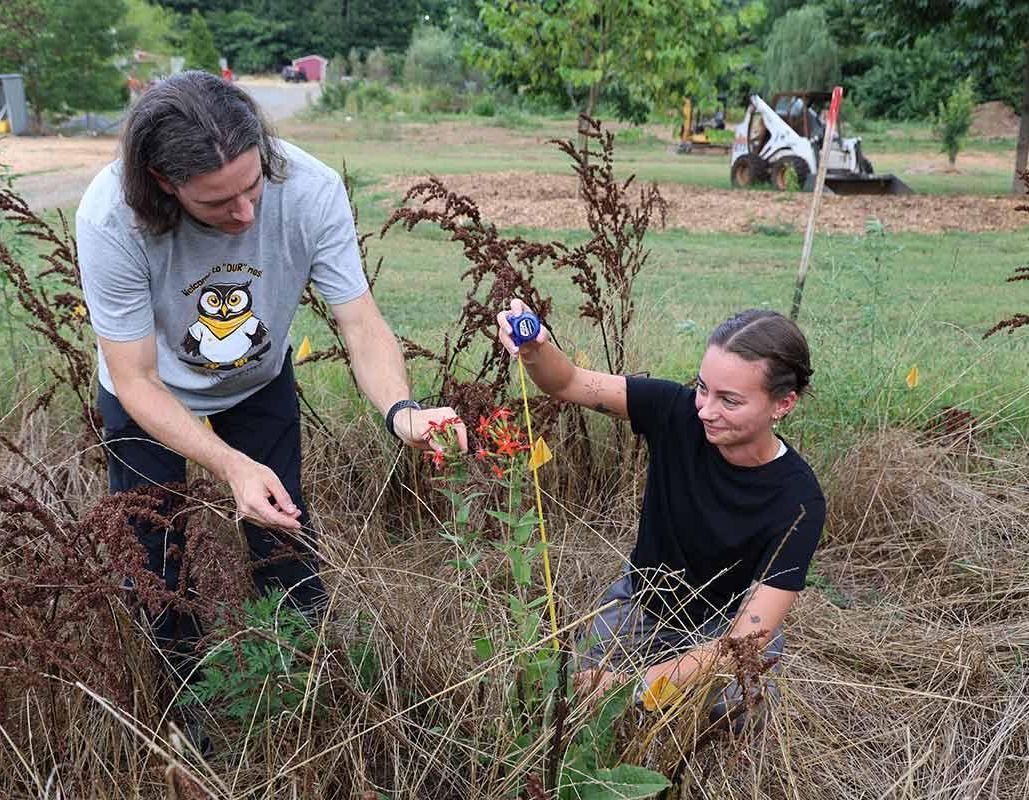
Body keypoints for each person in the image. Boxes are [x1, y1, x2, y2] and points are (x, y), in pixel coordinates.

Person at [76, 71, 465, 699]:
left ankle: (306, 680)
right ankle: (183, 700)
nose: (246, 213)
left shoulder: (311, 189)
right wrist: (230, 466)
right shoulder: (109, 219)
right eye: (216, 203)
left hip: (258, 380)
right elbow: (136, 378)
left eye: (253, 186)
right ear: (162, 185)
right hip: (151, 397)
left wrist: (402, 412)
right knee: (154, 553)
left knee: (283, 530)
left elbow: (361, 324)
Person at [496, 300, 823, 722]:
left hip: (724, 629)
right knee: (572, 692)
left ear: (783, 404)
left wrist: (630, 688)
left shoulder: (799, 500)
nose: (704, 409)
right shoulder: (674, 410)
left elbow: (742, 641)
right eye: (703, 388)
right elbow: (570, 382)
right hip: (642, 604)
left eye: (730, 400)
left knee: (731, 711)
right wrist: (537, 350)